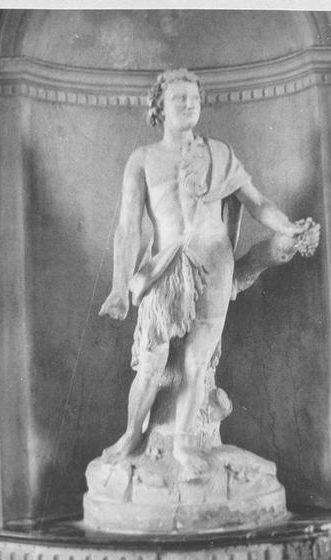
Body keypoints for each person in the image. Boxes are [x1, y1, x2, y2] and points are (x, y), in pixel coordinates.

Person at [99, 68, 311, 477]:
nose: (189, 104)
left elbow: (257, 202)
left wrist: (287, 227)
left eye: (194, 98)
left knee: (197, 361)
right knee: (152, 362)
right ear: (159, 107)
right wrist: (118, 287)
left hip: (215, 263)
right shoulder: (143, 159)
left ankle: (183, 443)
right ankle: (131, 435)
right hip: (165, 266)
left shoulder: (219, 154)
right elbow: (128, 228)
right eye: (179, 98)